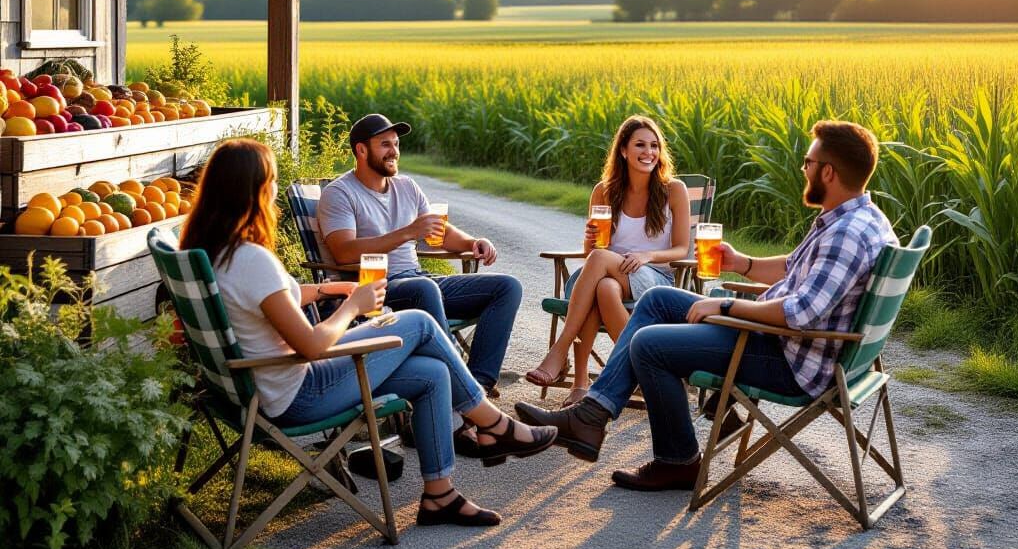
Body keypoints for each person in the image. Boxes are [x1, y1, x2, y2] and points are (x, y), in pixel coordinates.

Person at [179, 138, 557, 528]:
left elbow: (269, 300)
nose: (275, 191)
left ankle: (440, 495)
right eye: (272, 181)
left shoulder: (214, 252)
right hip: (299, 392)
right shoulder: (252, 259)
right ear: (255, 191)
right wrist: (353, 307)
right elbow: (310, 345)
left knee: (432, 374)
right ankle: (492, 423)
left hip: (266, 383)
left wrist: (329, 289)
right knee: (420, 322)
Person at [515, 120, 897, 492]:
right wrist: (742, 264)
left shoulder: (845, 234)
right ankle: (592, 414)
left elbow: (797, 314)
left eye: (809, 163)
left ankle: (676, 461)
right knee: (656, 299)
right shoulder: (856, 219)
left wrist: (726, 306)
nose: (803, 169)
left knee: (649, 345)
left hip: (788, 359)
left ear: (828, 172)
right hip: (788, 344)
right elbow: (793, 267)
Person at [318, 114, 522, 404]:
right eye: (385, 144)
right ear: (361, 150)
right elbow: (344, 250)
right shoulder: (339, 193)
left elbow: (439, 231)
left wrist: (473, 241)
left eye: (397, 144)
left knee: (507, 287)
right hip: (374, 289)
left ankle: (478, 385)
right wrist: (408, 232)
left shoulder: (407, 186)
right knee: (424, 289)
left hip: (420, 281)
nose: (394, 151)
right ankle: (462, 389)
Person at [525, 115, 692, 406]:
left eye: (654, 146)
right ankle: (582, 386)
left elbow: (681, 249)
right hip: (605, 275)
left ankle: (559, 350)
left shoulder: (673, 190)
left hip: (653, 277)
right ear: (623, 151)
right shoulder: (604, 191)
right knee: (602, 286)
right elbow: (593, 252)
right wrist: (589, 240)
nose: (649, 152)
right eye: (640, 144)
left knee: (601, 267)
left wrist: (646, 255)